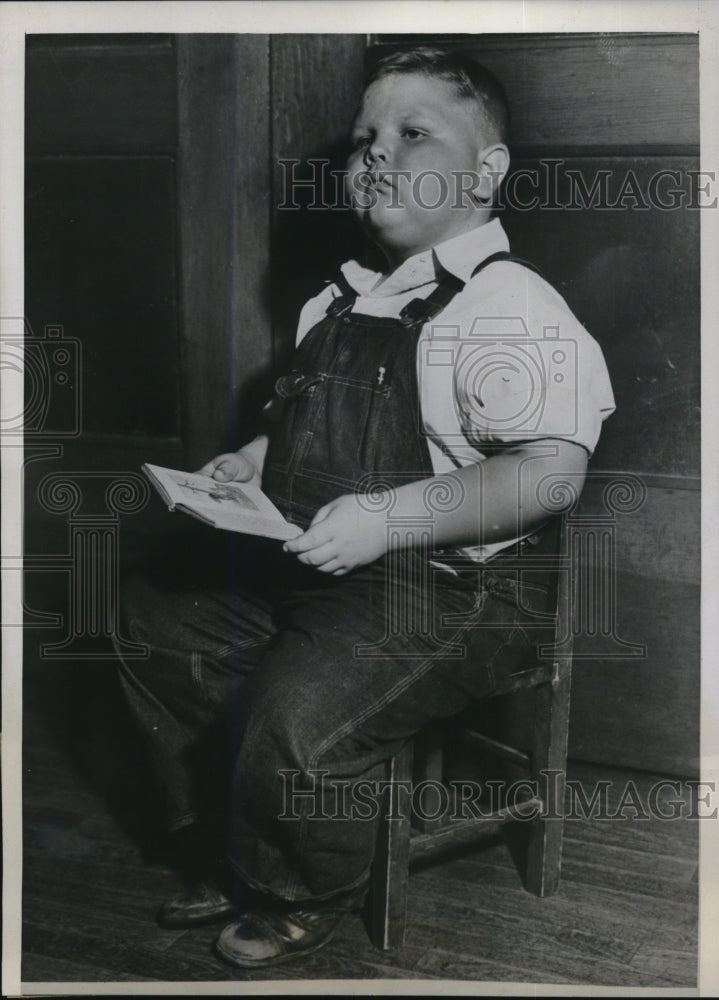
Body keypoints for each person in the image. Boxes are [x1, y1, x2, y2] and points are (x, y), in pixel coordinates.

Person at [116, 46, 615, 969]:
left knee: (292, 716)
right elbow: (305, 427)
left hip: (454, 593)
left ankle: (299, 886)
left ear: (488, 170)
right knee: (158, 621)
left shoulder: (511, 309)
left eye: (413, 134)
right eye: (364, 139)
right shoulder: (338, 298)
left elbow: (547, 474)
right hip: (317, 560)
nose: (378, 154)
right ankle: (233, 848)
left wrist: (386, 519)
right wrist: (250, 465)